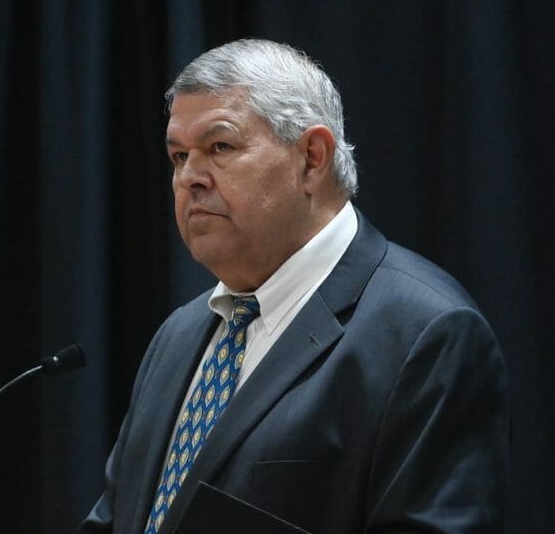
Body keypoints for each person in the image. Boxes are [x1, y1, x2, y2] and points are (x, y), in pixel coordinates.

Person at [80, 38, 510, 534]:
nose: (190, 178)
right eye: (178, 156)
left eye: (220, 147)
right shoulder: (177, 336)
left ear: (311, 157)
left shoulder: (427, 333)